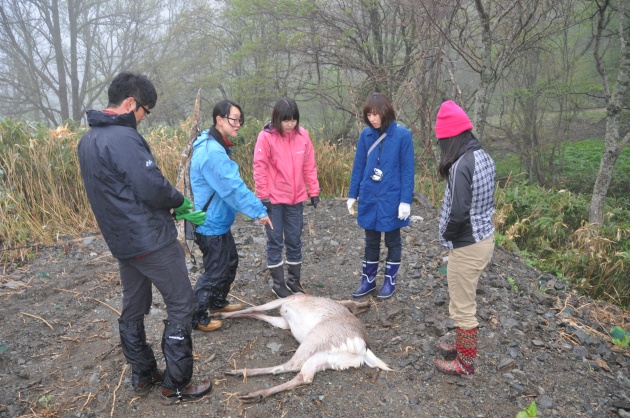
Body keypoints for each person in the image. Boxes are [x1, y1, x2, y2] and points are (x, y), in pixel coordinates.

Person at [78, 72, 212, 400]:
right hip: (150, 240)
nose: (143, 119)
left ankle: (142, 374)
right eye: (145, 111)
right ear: (130, 103)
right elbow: (151, 186)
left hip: (122, 242)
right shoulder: (123, 138)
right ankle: (177, 384)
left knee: (134, 305)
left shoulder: (88, 140)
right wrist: (179, 202)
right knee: (181, 302)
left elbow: (118, 192)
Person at [190, 99, 273, 331]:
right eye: (233, 119)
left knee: (229, 264)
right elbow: (233, 188)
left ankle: (217, 303)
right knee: (215, 272)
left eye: (240, 120)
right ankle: (196, 317)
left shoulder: (217, 144)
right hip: (210, 225)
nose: (238, 124)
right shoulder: (212, 152)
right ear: (219, 120)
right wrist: (259, 211)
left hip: (219, 222)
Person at [432, 100, 496, 376]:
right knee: (464, 298)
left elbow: (458, 212)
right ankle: (460, 348)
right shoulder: (483, 156)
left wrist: (446, 235)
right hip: (484, 238)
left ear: (451, 137)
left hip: (468, 245)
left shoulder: (461, 165)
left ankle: (465, 364)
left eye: (442, 141)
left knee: (462, 305)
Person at [347, 92, 415, 299]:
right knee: (371, 241)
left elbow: (407, 170)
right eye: (369, 114)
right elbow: (358, 166)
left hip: (391, 198)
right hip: (369, 195)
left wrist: (405, 200)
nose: (372, 118)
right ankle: (367, 282)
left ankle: (389, 282)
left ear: (386, 113)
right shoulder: (365, 135)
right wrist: (353, 194)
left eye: (376, 114)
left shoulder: (402, 135)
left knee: (393, 240)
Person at [253, 98, 320, 298]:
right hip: (274, 200)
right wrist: (263, 196)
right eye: (286, 120)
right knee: (275, 241)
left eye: (294, 120)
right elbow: (260, 167)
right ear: (277, 119)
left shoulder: (303, 136)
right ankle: (278, 283)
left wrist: (313, 190)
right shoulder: (266, 137)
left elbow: (309, 164)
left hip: (296, 198)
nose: (290, 124)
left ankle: (293, 281)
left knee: (294, 240)